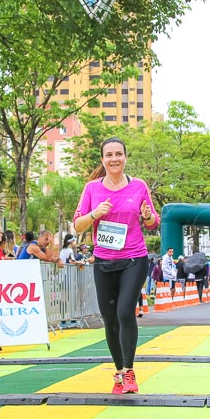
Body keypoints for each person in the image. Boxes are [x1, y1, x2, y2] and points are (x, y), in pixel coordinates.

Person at [74, 137, 159, 395]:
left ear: (125, 157)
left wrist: (147, 216)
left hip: (134, 258)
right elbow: (77, 225)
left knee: (124, 312)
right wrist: (95, 214)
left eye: (118, 154)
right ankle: (120, 373)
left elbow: (153, 222)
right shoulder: (91, 189)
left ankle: (130, 370)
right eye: (109, 155)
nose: (114, 159)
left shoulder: (139, 186)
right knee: (109, 318)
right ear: (103, 159)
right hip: (103, 260)